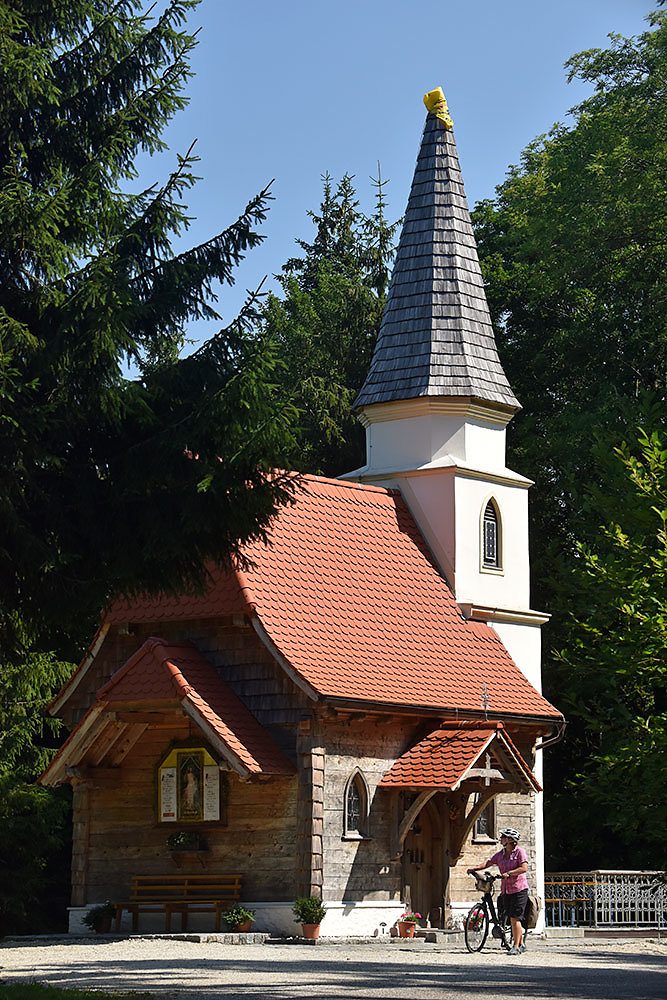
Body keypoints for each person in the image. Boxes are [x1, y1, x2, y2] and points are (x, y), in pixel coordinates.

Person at [467, 826, 529, 955]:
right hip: (506, 890)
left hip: (519, 889)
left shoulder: (519, 852)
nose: (500, 839)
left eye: (503, 837)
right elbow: (489, 862)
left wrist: (509, 873)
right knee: (510, 916)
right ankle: (521, 943)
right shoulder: (500, 854)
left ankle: (516, 947)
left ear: (510, 840)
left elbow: (523, 868)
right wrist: (475, 868)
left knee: (514, 918)